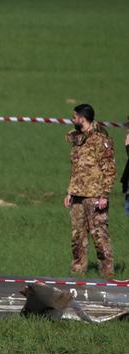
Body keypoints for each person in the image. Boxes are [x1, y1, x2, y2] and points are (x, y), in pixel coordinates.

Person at [63, 104, 116, 279]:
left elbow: (109, 169)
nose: (72, 120)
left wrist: (104, 195)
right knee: (77, 237)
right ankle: (78, 271)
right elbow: (76, 169)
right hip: (78, 195)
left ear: (82, 118)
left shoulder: (100, 139)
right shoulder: (78, 139)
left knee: (99, 236)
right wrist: (70, 193)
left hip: (95, 195)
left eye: (74, 117)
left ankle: (107, 274)